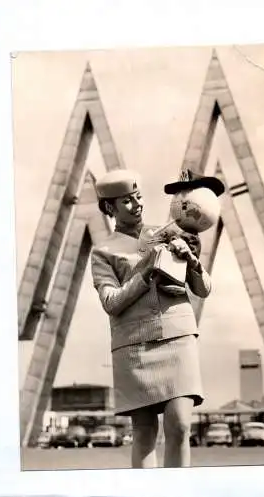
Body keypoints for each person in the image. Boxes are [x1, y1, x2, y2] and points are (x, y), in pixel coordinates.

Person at [91, 169, 212, 468]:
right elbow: (111, 302)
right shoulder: (102, 252)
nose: (137, 204)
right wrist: (147, 273)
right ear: (110, 208)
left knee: (181, 426)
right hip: (135, 347)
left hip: (178, 337)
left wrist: (192, 260)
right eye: (126, 201)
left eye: (138, 197)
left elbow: (204, 289)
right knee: (144, 434)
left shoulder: (171, 233)